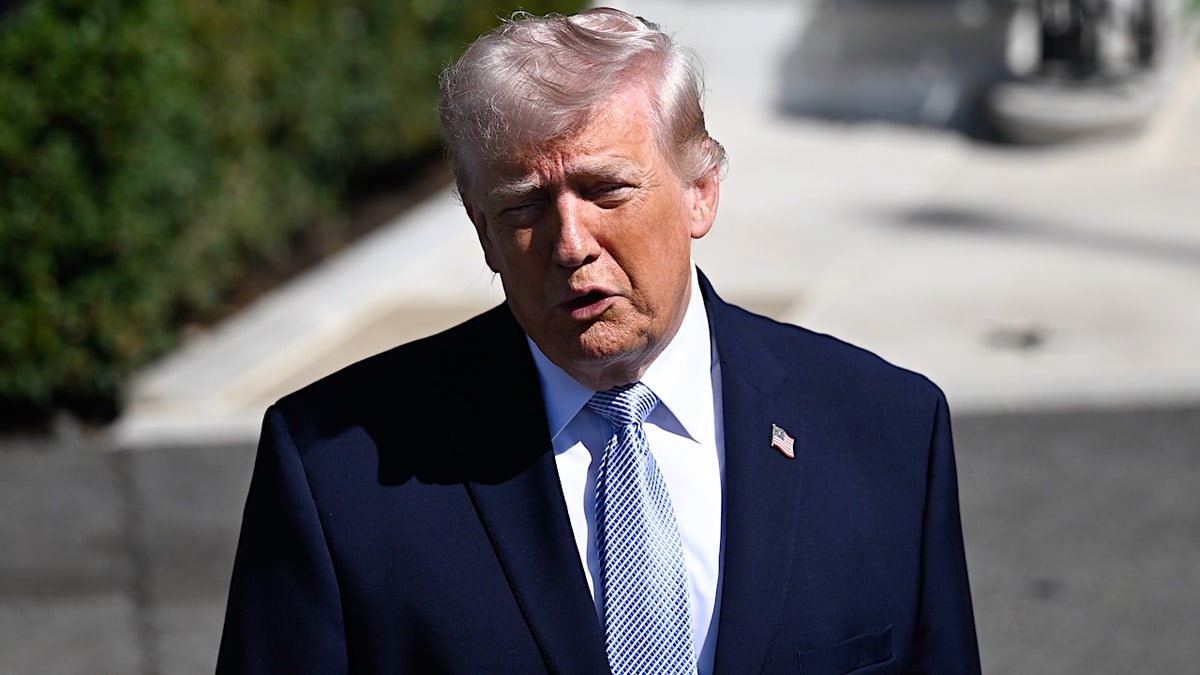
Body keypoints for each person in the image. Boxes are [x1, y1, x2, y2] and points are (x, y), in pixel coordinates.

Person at [216, 7, 980, 674]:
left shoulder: (888, 433)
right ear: (482, 232)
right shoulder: (336, 472)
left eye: (606, 189)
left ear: (700, 191)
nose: (570, 242)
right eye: (523, 208)